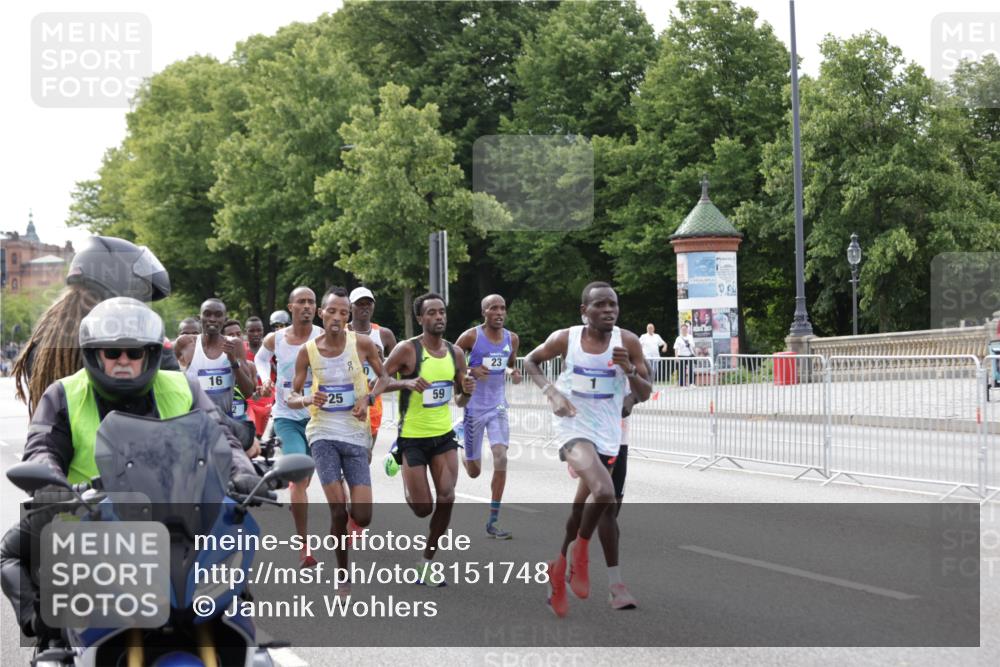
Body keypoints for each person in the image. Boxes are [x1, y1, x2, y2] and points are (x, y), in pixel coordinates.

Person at [0, 297, 262, 647]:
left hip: (179, 518)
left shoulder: (182, 386)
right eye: (113, 351)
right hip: (88, 517)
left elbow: (222, 438)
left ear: (150, 355)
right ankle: (46, 630)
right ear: (94, 354)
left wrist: (242, 473)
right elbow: (42, 447)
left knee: (235, 601)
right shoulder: (65, 394)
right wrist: (55, 487)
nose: (123, 360)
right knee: (11, 552)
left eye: (134, 352)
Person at [523, 281, 651, 617]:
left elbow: (645, 390)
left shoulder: (629, 342)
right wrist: (552, 394)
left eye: (613, 305)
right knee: (603, 492)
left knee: (590, 509)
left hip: (611, 433)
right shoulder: (566, 338)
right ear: (584, 311)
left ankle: (561, 564)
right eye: (600, 305)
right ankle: (586, 559)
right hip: (573, 426)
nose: (608, 310)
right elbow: (530, 361)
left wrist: (630, 372)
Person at [289, 287, 387, 590]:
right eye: (331, 311)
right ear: (322, 313)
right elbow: (291, 395)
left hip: (356, 433)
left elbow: (384, 377)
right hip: (323, 434)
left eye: (343, 312)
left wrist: (368, 399)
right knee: (337, 509)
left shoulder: (364, 344)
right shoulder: (308, 350)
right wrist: (307, 400)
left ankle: (346, 530)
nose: (337, 317)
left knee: (363, 515)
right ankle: (343, 574)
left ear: (348, 316)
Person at [12, 235, 176, 415]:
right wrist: (162, 351)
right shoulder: (117, 347)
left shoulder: (47, 348)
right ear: (115, 286)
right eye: (135, 294)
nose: (138, 305)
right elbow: (173, 397)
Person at [382, 292, 476, 586]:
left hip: (443, 437)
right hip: (412, 438)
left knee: (447, 497)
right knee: (422, 508)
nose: (439, 317)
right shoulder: (406, 350)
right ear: (420, 318)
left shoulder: (455, 353)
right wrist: (405, 382)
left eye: (442, 312)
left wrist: (468, 390)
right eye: (432, 313)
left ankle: (426, 562)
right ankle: (399, 460)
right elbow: (379, 381)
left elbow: (459, 401)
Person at [255, 288, 323, 567]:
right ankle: (304, 545)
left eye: (311, 302)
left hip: (318, 416)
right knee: (298, 475)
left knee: (306, 479)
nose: (306, 306)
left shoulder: (323, 336)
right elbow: (260, 359)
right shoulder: (276, 338)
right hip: (286, 417)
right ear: (291, 306)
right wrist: (266, 379)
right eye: (301, 302)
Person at [454, 294, 521, 539]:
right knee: (473, 471)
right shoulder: (471, 336)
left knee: (501, 456)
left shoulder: (512, 338)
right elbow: (450, 361)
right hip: (473, 408)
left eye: (503, 308)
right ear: (484, 312)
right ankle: (461, 440)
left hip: (497, 407)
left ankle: (493, 520)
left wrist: (513, 371)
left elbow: (509, 362)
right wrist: (471, 370)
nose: (499, 312)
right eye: (494, 308)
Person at [174, 299, 257, 422]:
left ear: (224, 319)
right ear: (199, 317)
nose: (212, 319)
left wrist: (233, 362)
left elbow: (248, 392)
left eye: (218, 315)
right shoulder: (185, 343)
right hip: (195, 420)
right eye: (207, 314)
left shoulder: (234, 344)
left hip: (226, 419)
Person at [348, 286, 397, 445]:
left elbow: (394, 378)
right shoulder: (340, 333)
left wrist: (382, 362)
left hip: (372, 402)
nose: (365, 307)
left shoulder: (384, 334)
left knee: (365, 456)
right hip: (345, 402)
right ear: (350, 307)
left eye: (368, 303)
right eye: (359, 304)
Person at [244, 316, 273, 437]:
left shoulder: (271, 348)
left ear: (263, 331)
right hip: (251, 399)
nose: (256, 334)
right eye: (252, 331)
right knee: (252, 435)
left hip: (270, 398)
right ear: (246, 332)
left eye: (259, 330)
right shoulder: (241, 350)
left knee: (266, 437)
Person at [222, 319, 255, 425]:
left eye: (238, 334)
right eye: (231, 335)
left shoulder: (250, 366)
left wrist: (261, 394)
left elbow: (252, 397)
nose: (235, 338)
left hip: (242, 419)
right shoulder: (215, 364)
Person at [673, 322, 696, 387]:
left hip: (690, 355)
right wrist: (676, 356)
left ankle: (692, 383)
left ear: (687, 329)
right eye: (683, 329)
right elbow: (676, 348)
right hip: (681, 355)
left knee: (691, 369)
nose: (684, 330)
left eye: (685, 329)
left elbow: (693, 346)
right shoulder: (678, 338)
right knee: (681, 371)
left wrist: (695, 354)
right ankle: (682, 384)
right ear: (681, 330)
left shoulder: (690, 337)